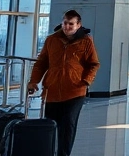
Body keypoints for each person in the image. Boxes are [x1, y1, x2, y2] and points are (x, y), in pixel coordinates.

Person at [27, 9, 100, 156]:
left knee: (68, 125)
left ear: (78, 25)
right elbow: (41, 63)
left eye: (71, 24)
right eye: (65, 23)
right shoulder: (52, 40)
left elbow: (93, 64)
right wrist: (34, 81)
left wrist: (86, 81)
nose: (67, 27)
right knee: (51, 124)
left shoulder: (86, 41)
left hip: (75, 91)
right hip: (52, 90)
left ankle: (63, 154)